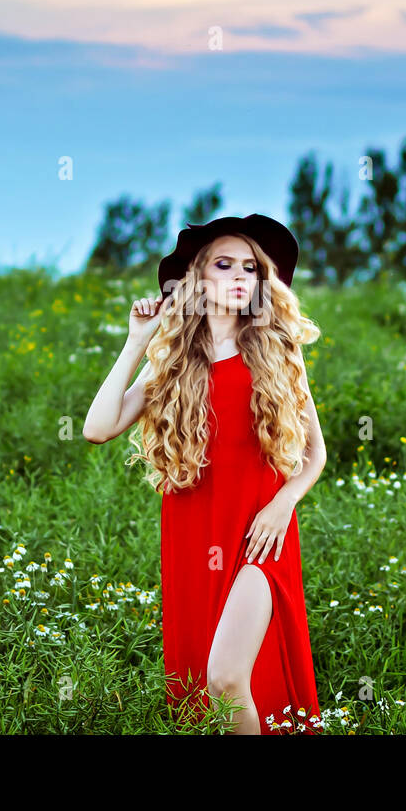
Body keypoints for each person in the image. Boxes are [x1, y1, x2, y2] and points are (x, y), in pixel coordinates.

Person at [82, 214, 327, 734]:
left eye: (250, 268)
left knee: (226, 675)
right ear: (197, 276)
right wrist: (136, 343)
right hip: (194, 535)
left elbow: (314, 455)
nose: (240, 276)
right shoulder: (171, 361)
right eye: (224, 264)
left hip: (262, 535)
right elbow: (97, 429)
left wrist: (283, 505)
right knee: (204, 691)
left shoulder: (279, 350)